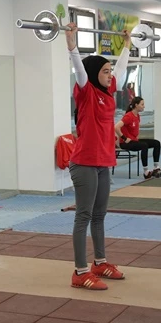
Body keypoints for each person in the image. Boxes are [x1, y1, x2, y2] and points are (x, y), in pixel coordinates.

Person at [67, 22, 131, 290]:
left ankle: (99, 263)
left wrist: (127, 45)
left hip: (103, 162)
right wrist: (71, 44)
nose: (110, 75)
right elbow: (80, 70)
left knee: (99, 215)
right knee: (83, 216)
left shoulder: (108, 92)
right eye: (105, 71)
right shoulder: (87, 91)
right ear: (95, 74)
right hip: (84, 162)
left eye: (109, 71)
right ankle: (80, 272)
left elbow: (121, 70)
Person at [114, 97, 161, 179]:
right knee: (144, 145)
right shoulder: (128, 116)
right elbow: (116, 127)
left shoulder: (137, 116)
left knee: (156, 143)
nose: (144, 106)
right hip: (125, 143)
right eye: (142, 104)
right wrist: (124, 138)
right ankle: (146, 172)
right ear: (136, 105)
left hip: (134, 141)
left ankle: (156, 167)